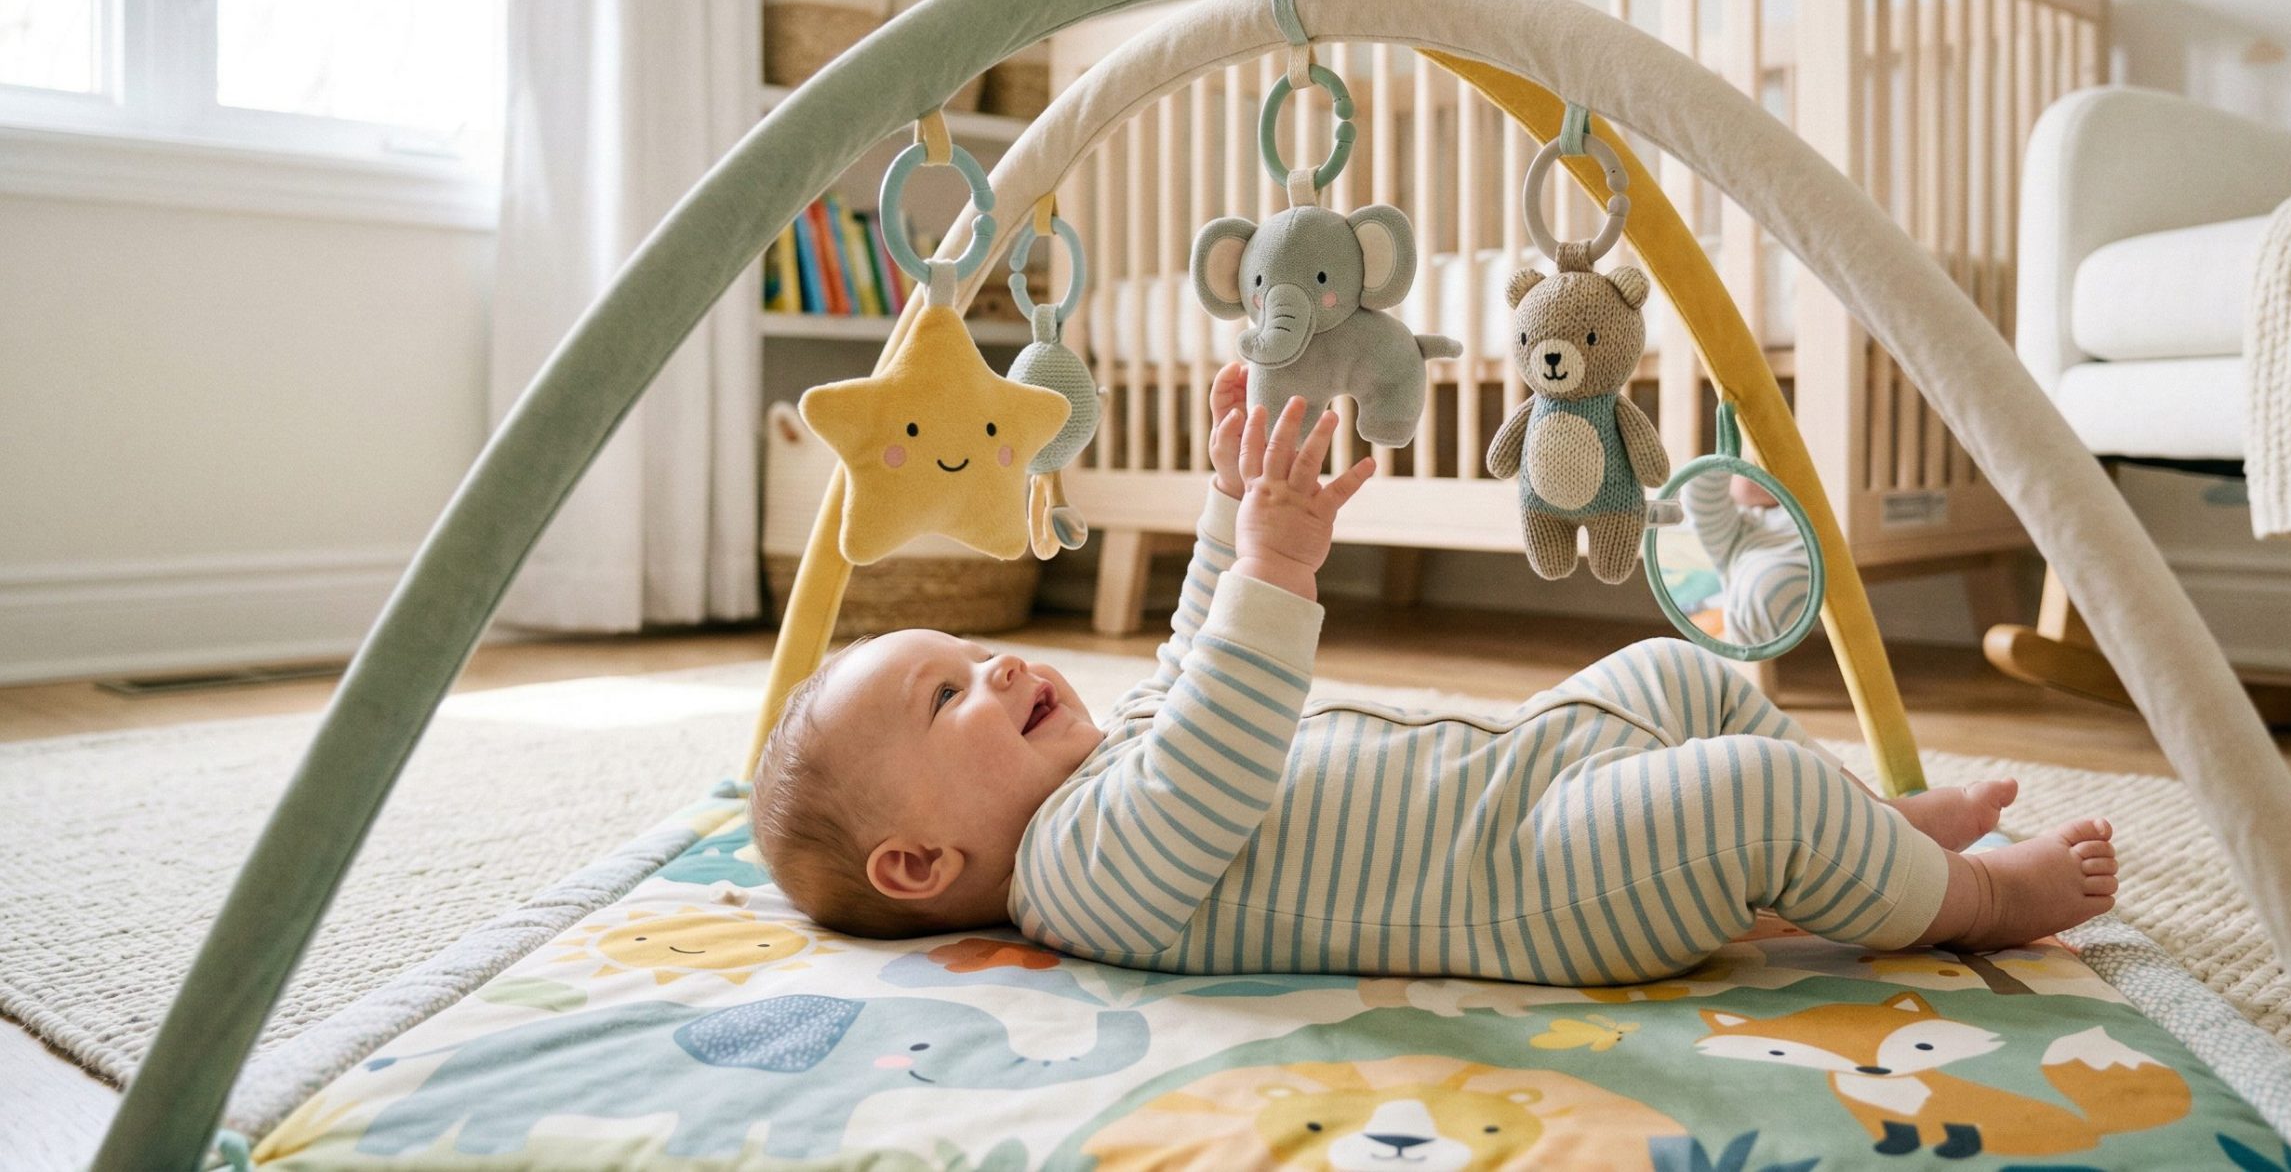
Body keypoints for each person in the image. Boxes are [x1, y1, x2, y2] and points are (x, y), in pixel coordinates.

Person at [751, 365, 2117, 982]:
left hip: (1522, 766)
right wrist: (1282, 565)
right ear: (920, 863)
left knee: (1678, 670)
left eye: (968, 654)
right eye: (948, 695)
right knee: (1747, 794)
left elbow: (1189, 652)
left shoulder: (1100, 763)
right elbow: (1217, 745)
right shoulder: (1076, 881)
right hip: (1538, 882)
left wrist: (1231, 508)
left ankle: (1869, 840)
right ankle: (1978, 901)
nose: (994, 662)